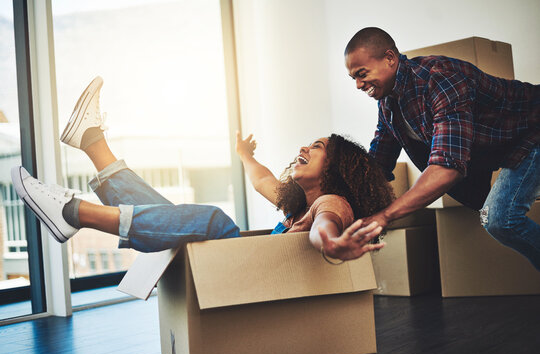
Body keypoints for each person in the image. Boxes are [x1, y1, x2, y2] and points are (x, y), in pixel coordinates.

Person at [12, 76, 394, 261]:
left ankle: (73, 212)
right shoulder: (298, 204)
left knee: (217, 222)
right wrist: (244, 155)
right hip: (241, 269)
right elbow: (262, 179)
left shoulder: (332, 203)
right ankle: (93, 144)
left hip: (253, 276)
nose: (304, 148)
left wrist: (332, 243)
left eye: (317, 146)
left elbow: (326, 226)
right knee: (170, 213)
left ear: (337, 167)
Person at [343, 27, 540, 269]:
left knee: (500, 219)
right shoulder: (388, 105)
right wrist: (334, 207)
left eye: (362, 74)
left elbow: (447, 167)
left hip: (532, 130)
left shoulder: (439, 79)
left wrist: (385, 216)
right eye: (353, 78)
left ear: (390, 59)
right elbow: (375, 167)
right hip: (507, 147)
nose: (358, 85)